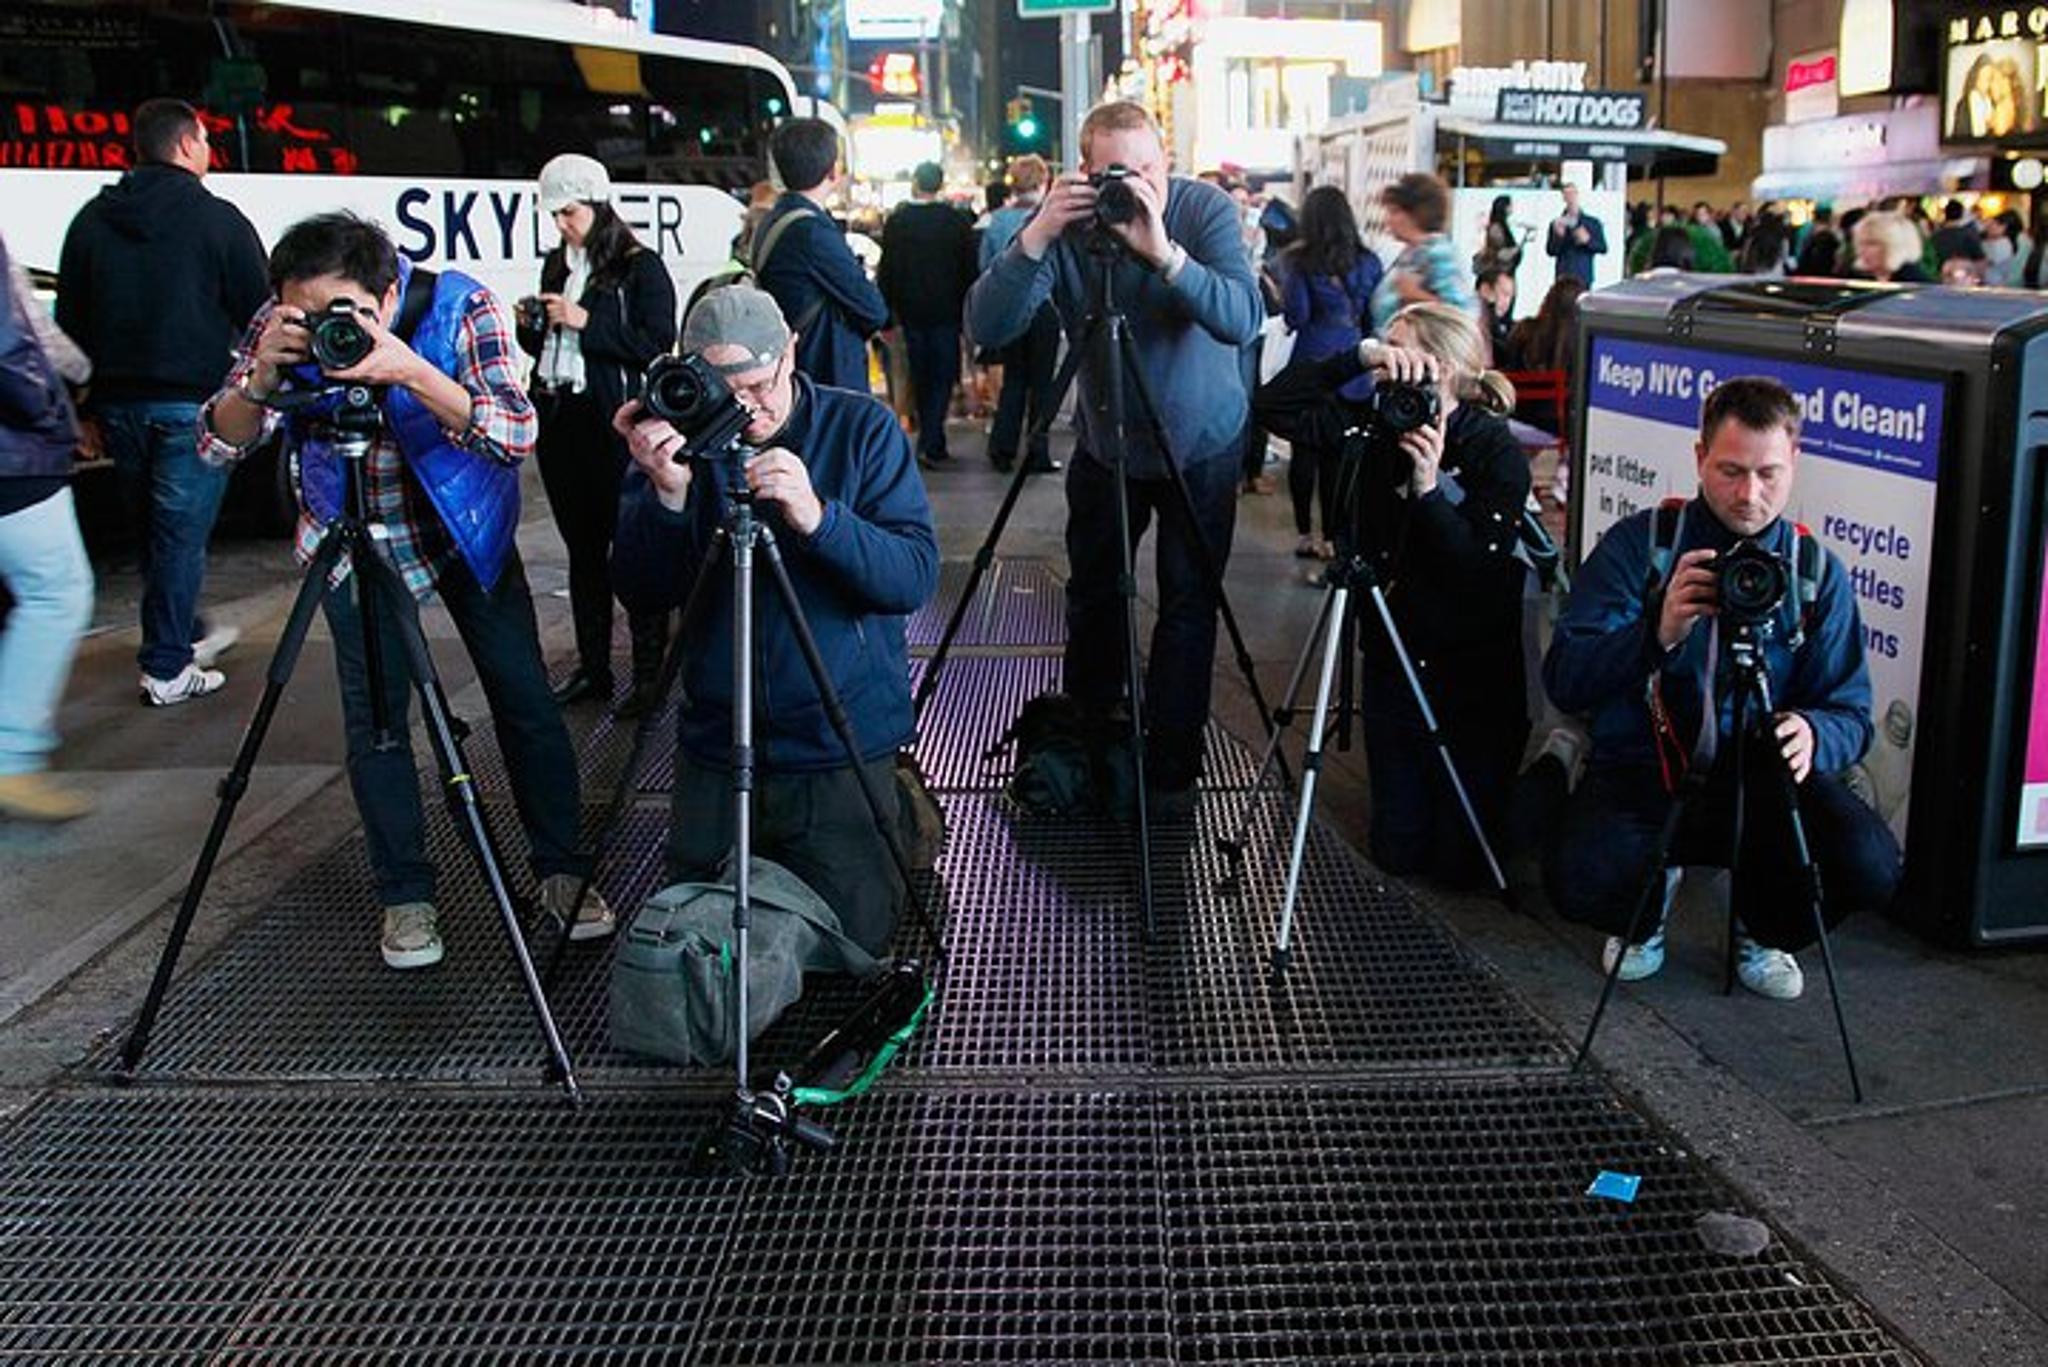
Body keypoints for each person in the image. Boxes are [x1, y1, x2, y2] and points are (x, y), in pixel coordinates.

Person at [198, 212, 611, 970]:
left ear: (388, 297)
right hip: (350, 537)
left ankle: (561, 870)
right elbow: (218, 441)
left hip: (462, 531)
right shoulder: (280, 320)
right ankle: (406, 896)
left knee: (523, 697)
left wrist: (410, 370)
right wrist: (260, 376)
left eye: (344, 315)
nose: (325, 329)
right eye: (305, 314)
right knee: (380, 722)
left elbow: (515, 434)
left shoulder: (460, 306)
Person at [1542, 377, 1902, 1000]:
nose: (1749, 495)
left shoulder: (1814, 571)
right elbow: (1567, 677)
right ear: (1699, 458)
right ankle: (1646, 903)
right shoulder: (1643, 546)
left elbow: (1851, 711)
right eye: (1730, 471)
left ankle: (1763, 924)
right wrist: (1657, 632)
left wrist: (1815, 733)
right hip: (1646, 764)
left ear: (1795, 462)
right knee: (1577, 874)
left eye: (1769, 473)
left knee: (1870, 862)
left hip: (1763, 775)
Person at [610, 285, 937, 955]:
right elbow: (643, 592)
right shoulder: (681, 441)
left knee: (854, 943)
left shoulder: (860, 429)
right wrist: (666, 496)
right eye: (726, 392)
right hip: (719, 733)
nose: (747, 408)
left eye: (761, 383)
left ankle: (896, 812)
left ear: (791, 352)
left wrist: (821, 517)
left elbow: (911, 577)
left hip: (835, 730)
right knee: (696, 937)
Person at [967, 100, 1263, 814]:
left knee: (1188, 608)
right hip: (1109, 442)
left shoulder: (1202, 210)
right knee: (1095, 598)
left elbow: (1242, 317)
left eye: (1149, 170)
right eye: (1114, 174)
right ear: (1085, 172)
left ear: (1168, 162)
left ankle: (1170, 769)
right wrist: (1038, 233)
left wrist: (1164, 253)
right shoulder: (1068, 226)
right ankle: (1092, 748)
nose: (1135, 187)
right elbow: (989, 325)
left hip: (1202, 442)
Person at [1254, 304, 1530, 882]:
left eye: (1405, 354)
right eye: (1389, 353)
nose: (1392, 368)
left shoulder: (1492, 449)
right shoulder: (1372, 425)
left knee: (1466, 866)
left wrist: (1429, 492)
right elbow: (1273, 406)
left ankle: (1552, 763)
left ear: (1449, 369)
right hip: (1394, 651)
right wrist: (1358, 356)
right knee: (1398, 851)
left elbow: (1477, 567)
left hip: (1470, 668)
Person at [56, 97, 268, 707]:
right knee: (178, 535)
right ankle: (169, 666)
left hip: (118, 405)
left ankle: (184, 633)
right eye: (204, 140)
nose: (209, 151)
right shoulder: (218, 220)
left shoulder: (91, 222)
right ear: (184, 146)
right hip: (193, 408)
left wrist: (82, 409)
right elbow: (256, 313)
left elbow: (71, 322)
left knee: (154, 531)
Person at [517, 153, 678, 716]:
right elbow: (545, 347)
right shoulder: (555, 266)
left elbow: (658, 342)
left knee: (632, 547)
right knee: (582, 552)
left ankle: (649, 676)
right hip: (562, 417)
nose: (561, 224)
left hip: (614, 420)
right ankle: (593, 668)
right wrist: (531, 327)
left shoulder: (640, 267)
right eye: (555, 215)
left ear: (597, 206)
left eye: (569, 212)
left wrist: (588, 323)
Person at [0, 232, 95, 822]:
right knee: (55, 591)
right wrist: (54, 415)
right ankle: (11, 757)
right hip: (11, 459)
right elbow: (15, 344)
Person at [1276, 184, 1384, 560]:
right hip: (1356, 370)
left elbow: (1297, 316)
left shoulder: (1300, 261)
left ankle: (1306, 535)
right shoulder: (1369, 261)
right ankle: (1336, 538)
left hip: (1312, 363)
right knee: (1340, 458)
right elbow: (1374, 319)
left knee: (1305, 452)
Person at [751, 118, 889, 391]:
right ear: (833, 171)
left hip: (797, 373)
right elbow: (873, 310)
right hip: (826, 378)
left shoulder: (774, 220)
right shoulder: (812, 231)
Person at [877, 161, 977, 468]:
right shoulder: (955, 222)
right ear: (940, 185)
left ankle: (929, 436)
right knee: (943, 375)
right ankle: (933, 439)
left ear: (915, 184)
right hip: (947, 312)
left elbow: (887, 271)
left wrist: (887, 315)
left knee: (919, 375)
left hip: (910, 311)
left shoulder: (898, 222)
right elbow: (968, 271)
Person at [978, 154, 1061, 475]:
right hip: (1044, 309)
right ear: (1043, 183)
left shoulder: (996, 221)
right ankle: (1037, 451)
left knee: (1014, 378)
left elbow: (984, 267)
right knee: (1042, 383)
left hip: (1007, 308)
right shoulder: (1048, 219)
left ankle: (1002, 447)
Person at [1370, 172, 1474, 334]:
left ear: (1416, 214)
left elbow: (1461, 314)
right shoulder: (1410, 253)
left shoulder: (1439, 253)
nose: (1387, 220)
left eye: (1395, 212)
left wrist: (1415, 295)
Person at [1546, 183, 1608, 288]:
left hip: (1583, 277)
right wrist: (1558, 237)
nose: (1570, 197)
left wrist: (1588, 240)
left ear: (1577, 194)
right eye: (1566, 194)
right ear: (1563, 197)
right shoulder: (1557, 223)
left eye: (1572, 193)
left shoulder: (1592, 222)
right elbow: (1551, 251)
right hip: (1563, 277)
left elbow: (1603, 248)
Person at [1851, 211, 1931, 283]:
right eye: (1861, 243)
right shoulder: (1856, 279)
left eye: (1872, 243)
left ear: (1895, 246)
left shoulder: (1916, 283)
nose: (1861, 250)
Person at [1473, 194, 1525, 282]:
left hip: (1505, 270)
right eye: (1510, 206)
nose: (1512, 208)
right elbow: (1498, 251)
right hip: (1498, 272)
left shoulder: (1502, 225)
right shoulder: (1496, 227)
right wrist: (1515, 250)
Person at [1475, 268, 1517, 365]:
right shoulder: (1472, 325)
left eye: (1510, 296)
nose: (1507, 302)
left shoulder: (1509, 330)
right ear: (1485, 289)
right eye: (1504, 293)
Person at [1929, 200, 1985, 267]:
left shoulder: (1935, 237)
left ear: (1945, 214)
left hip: (1942, 274)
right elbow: (1980, 259)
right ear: (1961, 215)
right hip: (1965, 273)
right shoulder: (1968, 235)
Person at [1794, 206, 1841, 277]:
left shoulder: (1806, 232)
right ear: (1830, 219)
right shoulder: (1828, 238)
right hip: (1823, 278)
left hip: (1806, 276)